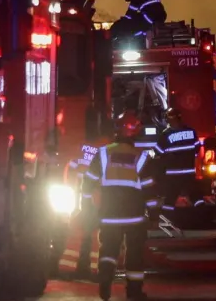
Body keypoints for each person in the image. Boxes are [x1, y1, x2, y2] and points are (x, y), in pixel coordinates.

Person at [82, 113, 156, 301]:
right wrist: (154, 212)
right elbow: (148, 188)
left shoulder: (104, 153)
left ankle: (105, 277)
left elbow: (89, 181)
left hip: (109, 213)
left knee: (109, 249)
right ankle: (134, 292)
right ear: (136, 133)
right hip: (134, 216)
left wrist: (86, 206)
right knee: (134, 254)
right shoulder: (141, 157)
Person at [66, 138, 107, 280]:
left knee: (79, 235)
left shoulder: (78, 153)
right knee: (95, 237)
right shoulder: (105, 152)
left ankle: (69, 269)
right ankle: (93, 270)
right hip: (95, 203)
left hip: (82, 202)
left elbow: (70, 172)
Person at [154, 109, 200, 214]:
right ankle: (200, 214)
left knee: (170, 197)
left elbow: (158, 152)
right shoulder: (191, 131)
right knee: (195, 195)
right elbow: (197, 149)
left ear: (169, 119)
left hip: (173, 174)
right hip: (189, 172)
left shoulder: (166, 135)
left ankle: (168, 217)